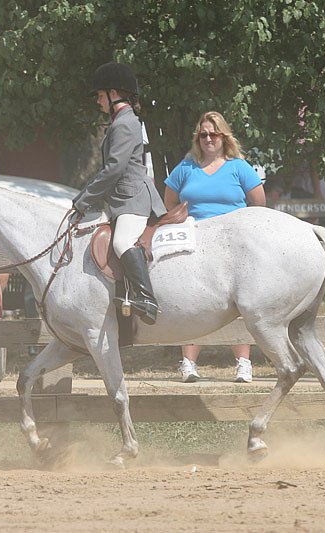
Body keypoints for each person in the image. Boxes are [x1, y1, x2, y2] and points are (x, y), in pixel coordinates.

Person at [163, 111, 266, 383]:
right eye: (203, 134)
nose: (208, 139)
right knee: (190, 300)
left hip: (234, 245)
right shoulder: (186, 167)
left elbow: (259, 203)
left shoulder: (239, 167)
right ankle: (188, 363)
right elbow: (169, 201)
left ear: (223, 136)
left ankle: (243, 363)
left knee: (241, 303)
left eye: (214, 134)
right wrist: (184, 220)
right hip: (195, 240)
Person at [72, 62, 167, 324]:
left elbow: (114, 169)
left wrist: (83, 200)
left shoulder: (125, 124)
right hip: (121, 198)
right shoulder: (121, 122)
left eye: (100, 96)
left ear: (114, 94)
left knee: (122, 242)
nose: (98, 102)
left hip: (132, 198)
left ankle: (147, 299)